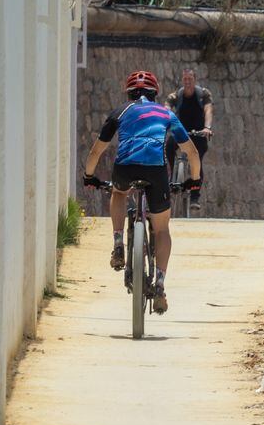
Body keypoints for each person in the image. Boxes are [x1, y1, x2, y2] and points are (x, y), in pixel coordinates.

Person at [83, 70, 201, 314]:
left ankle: (118, 244)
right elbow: (192, 153)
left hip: (124, 168)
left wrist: (89, 176)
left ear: (129, 93)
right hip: (156, 171)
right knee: (161, 229)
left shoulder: (120, 112)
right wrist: (194, 181)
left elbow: (96, 151)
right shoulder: (166, 113)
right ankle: (159, 284)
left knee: (118, 193)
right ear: (155, 93)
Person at [164, 68, 214, 210]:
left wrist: (207, 128)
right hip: (181, 132)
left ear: (195, 79)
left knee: (197, 161)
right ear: (182, 80)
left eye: (190, 79)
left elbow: (208, 110)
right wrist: (167, 115)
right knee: (169, 146)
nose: (187, 82)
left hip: (199, 133)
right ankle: (172, 177)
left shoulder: (203, 94)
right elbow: (167, 106)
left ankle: (194, 195)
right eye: (185, 79)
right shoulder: (176, 95)